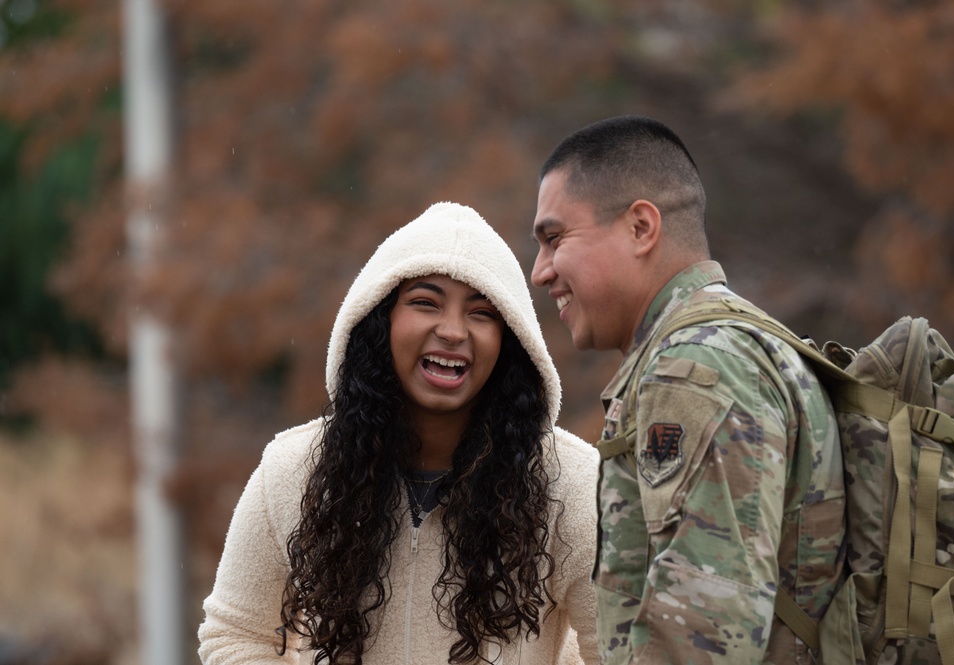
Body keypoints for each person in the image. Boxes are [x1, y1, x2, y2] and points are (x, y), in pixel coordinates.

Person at [198, 202, 600, 664]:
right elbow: (235, 635)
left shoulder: (573, 484)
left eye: (482, 313)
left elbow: (623, 655)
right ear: (379, 320)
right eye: (425, 303)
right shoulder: (293, 470)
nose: (452, 331)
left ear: (511, 341)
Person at [529, 116, 847, 664]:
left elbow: (703, 636)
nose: (540, 271)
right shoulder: (726, 344)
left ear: (641, 228)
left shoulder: (697, 367)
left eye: (555, 239)